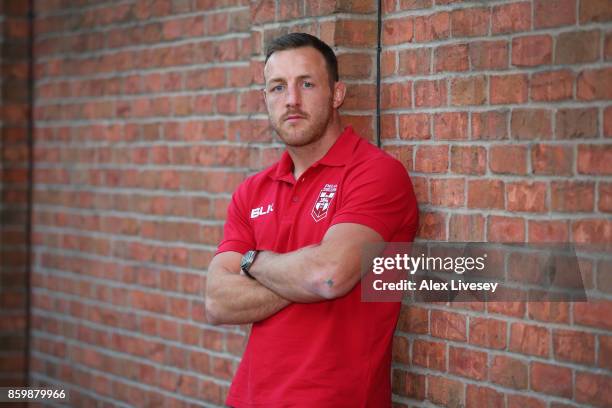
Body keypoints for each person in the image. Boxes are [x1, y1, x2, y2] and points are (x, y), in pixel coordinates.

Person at [205, 32, 418, 407]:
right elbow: (218, 302)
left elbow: (329, 276)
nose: (292, 100)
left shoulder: (374, 174)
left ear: (337, 94)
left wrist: (254, 261)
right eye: (277, 88)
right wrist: (300, 274)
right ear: (265, 100)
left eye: (306, 83)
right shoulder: (251, 191)